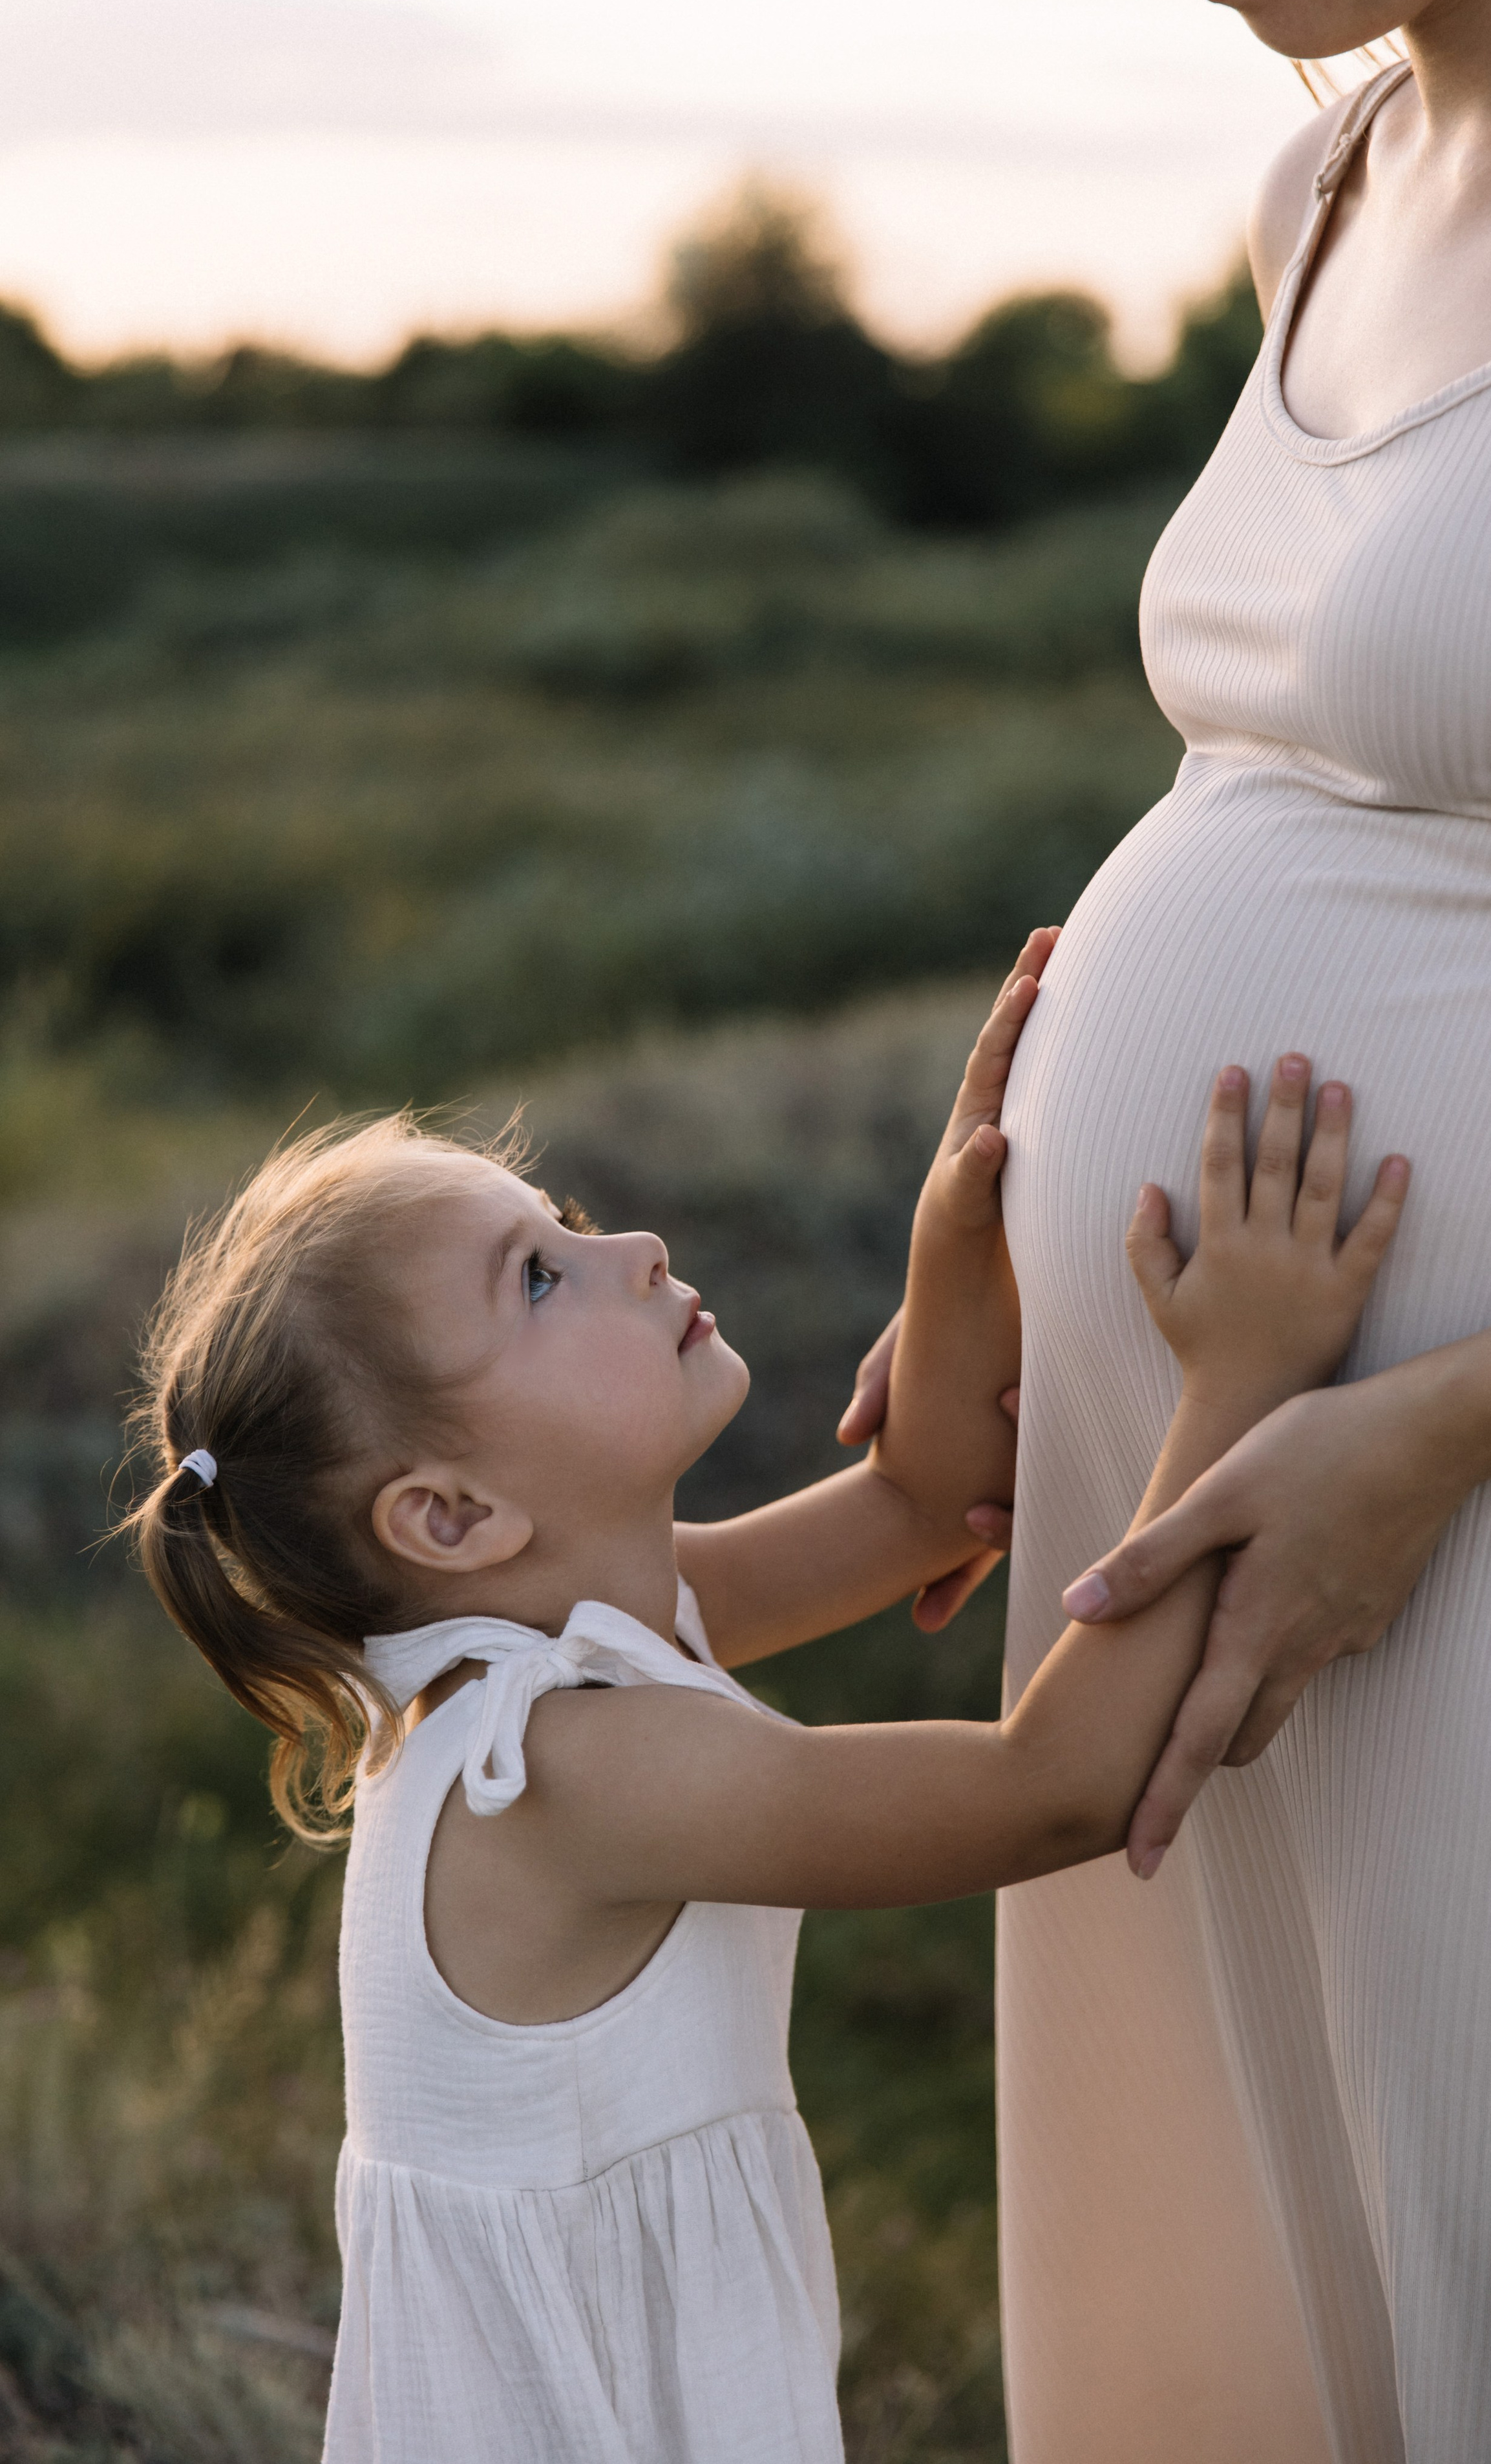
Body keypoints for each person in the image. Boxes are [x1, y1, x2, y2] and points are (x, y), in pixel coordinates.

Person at [844, 0, 1491, 2458]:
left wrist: (1432, 1430)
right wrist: (988, 1251)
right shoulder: (1327, 179)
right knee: (1266, 2272)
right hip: (1211, 1452)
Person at [125, 921, 1403, 2464]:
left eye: (570, 1218)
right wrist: (1237, 1387)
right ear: (450, 1517)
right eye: (540, 1278)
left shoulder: (585, 1628)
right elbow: (1049, 1783)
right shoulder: (569, 1773)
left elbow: (924, 1505)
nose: (633, 1249)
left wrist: (964, 1220)